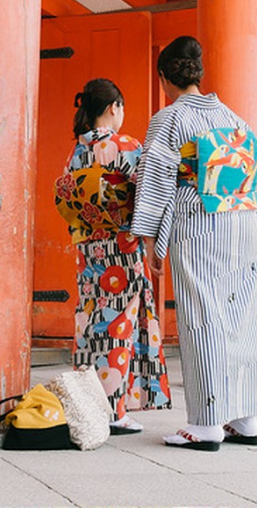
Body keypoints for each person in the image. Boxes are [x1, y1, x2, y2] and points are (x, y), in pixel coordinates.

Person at [131, 36, 257, 452]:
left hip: (201, 221)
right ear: (199, 73)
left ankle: (206, 423)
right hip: (243, 223)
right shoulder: (234, 118)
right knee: (243, 315)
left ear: (164, 77)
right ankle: (245, 417)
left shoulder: (170, 118)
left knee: (203, 315)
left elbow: (155, 179)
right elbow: (248, 176)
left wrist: (151, 238)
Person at [54, 78, 173, 436]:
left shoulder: (76, 152)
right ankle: (114, 410)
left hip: (89, 250)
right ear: (113, 108)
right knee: (118, 326)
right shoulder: (128, 147)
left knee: (90, 324)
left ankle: (88, 402)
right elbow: (149, 198)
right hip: (122, 250)